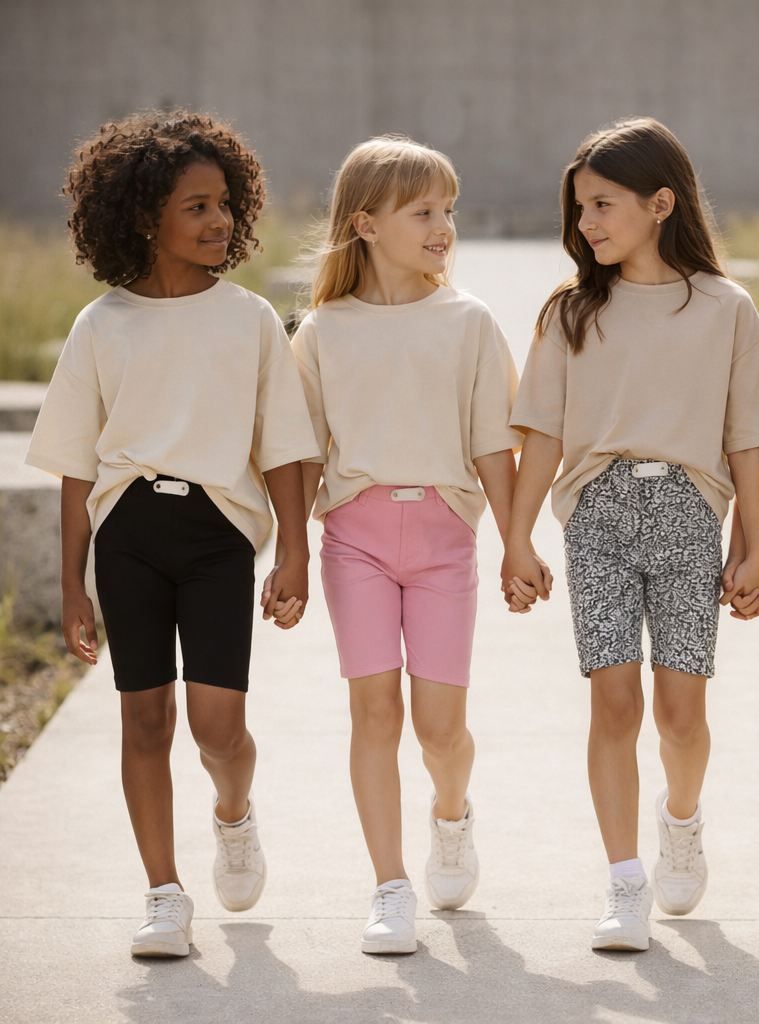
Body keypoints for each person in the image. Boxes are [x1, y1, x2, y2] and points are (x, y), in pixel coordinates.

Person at [27, 112, 320, 958]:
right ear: (143, 215)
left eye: (225, 204)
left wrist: (295, 551)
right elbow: (78, 465)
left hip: (218, 534)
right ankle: (163, 894)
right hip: (128, 536)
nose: (219, 221)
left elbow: (286, 448)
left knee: (217, 728)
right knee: (144, 719)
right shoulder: (101, 325)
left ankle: (234, 814)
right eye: (196, 206)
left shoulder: (252, 319)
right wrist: (70, 580)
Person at [501, 117, 759, 951]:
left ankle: (682, 819)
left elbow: (747, 438)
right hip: (596, 514)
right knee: (613, 700)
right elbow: (543, 437)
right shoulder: (569, 312)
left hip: (689, 517)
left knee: (681, 712)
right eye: (580, 208)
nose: (586, 223)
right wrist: (517, 540)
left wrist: (754, 541)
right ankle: (625, 881)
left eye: (602, 205)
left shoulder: (725, 308)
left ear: (661, 203)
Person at [288, 135, 540, 955]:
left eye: (448, 211)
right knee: (374, 711)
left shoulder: (468, 322)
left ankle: (452, 814)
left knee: (439, 730)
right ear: (365, 223)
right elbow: (298, 454)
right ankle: (389, 887)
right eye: (423, 211)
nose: (443, 226)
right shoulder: (322, 330)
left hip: (443, 544)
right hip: (355, 540)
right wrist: (290, 549)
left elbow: (491, 448)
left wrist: (515, 544)